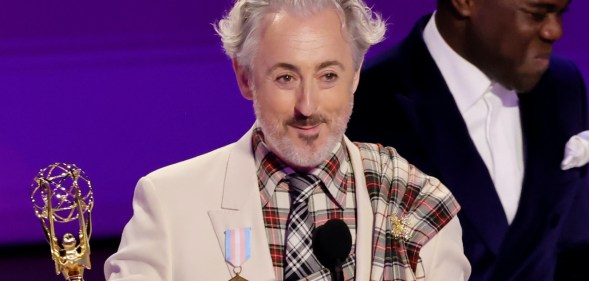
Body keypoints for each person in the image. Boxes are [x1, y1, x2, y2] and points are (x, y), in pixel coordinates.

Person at [103, 0, 471, 280]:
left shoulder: (420, 203)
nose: (307, 106)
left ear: (356, 75)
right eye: (285, 78)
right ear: (245, 77)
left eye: (328, 75)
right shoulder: (169, 205)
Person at [346, 0, 589, 280]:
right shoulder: (366, 103)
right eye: (536, 14)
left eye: (560, 13)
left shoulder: (564, 85)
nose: (554, 31)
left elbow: (572, 240)